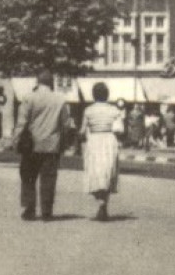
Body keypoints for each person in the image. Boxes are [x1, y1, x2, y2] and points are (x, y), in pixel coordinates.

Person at [14, 73, 68, 222]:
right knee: (49, 178)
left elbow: (21, 122)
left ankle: (29, 209)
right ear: (51, 83)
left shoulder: (29, 98)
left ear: (37, 82)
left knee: (28, 177)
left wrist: (16, 139)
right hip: (51, 145)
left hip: (31, 145)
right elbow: (66, 124)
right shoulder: (60, 100)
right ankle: (46, 211)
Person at [79, 82, 122, 221]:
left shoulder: (88, 110)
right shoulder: (114, 110)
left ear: (93, 95)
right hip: (110, 140)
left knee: (95, 172)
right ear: (107, 94)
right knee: (107, 172)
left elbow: (82, 130)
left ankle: (100, 202)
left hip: (94, 140)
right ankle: (104, 205)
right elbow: (120, 129)